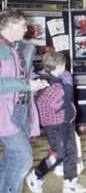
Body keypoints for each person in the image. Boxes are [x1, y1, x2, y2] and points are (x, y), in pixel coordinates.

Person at [1, 10, 48, 193]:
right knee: (22, 156)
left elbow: (23, 74)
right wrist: (26, 85)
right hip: (4, 111)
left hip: (21, 109)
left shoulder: (23, 48)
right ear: (10, 25)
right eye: (23, 25)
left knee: (12, 158)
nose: (26, 29)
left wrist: (34, 82)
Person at [26, 51, 86, 193]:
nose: (66, 69)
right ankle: (35, 176)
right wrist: (67, 86)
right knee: (58, 153)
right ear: (59, 66)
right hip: (54, 125)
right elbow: (58, 102)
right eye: (64, 65)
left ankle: (70, 183)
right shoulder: (44, 83)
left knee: (71, 151)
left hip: (67, 121)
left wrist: (65, 84)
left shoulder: (60, 78)